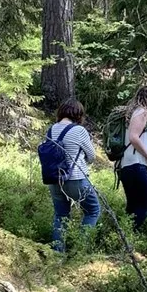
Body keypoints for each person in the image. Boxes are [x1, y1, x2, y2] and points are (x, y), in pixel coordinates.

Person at [46, 99, 100, 252]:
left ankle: (57, 254)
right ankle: (79, 251)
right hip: (75, 178)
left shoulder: (51, 129)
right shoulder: (79, 131)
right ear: (78, 115)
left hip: (54, 178)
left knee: (60, 215)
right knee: (93, 211)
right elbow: (92, 156)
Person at [117, 85, 147, 232]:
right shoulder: (142, 112)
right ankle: (127, 235)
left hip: (126, 165)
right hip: (136, 165)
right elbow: (134, 137)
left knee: (133, 206)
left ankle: (121, 237)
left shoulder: (133, 113)